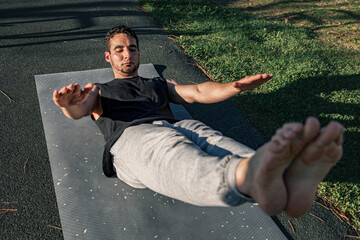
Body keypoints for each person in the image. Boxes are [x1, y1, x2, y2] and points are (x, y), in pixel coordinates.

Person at [53, 25, 344, 218]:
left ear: (139, 52)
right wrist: (70, 105)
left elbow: (197, 93)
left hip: (176, 126)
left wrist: (234, 87)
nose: (127, 54)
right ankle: (246, 177)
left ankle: (281, 181)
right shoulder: (100, 90)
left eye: (132, 48)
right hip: (133, 141)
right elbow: (80, 110)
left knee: (206, 135)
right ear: (109, 56)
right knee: (171, 150)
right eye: (120, 49)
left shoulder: (158, 82)